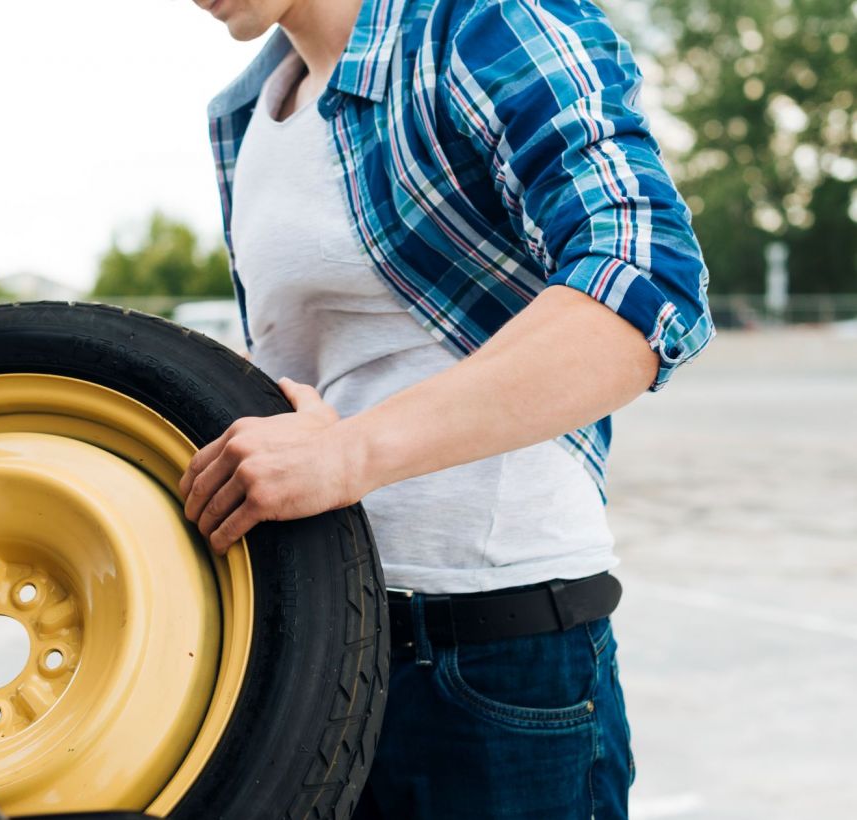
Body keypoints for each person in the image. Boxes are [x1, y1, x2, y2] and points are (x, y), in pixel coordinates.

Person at [178, 0, 713, 816]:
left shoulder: (485, 25)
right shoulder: (243, 114)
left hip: (491, 665)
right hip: (310, 657)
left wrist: (347, 455)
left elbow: (646, 284)